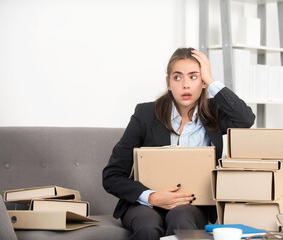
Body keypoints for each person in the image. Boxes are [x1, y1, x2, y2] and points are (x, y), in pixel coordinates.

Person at [102, 48, 255, 240]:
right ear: (168, 83)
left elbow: (246, 119)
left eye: (193, 77)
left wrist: (211, 80)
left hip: (193, 205)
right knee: (148, 226)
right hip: (145, 205)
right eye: (177, 77)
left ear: (203, 82)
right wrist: (151, 197)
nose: (185, 85)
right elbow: (112, 175)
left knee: (181, 220)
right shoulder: (145, 114)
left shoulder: (214, 113)